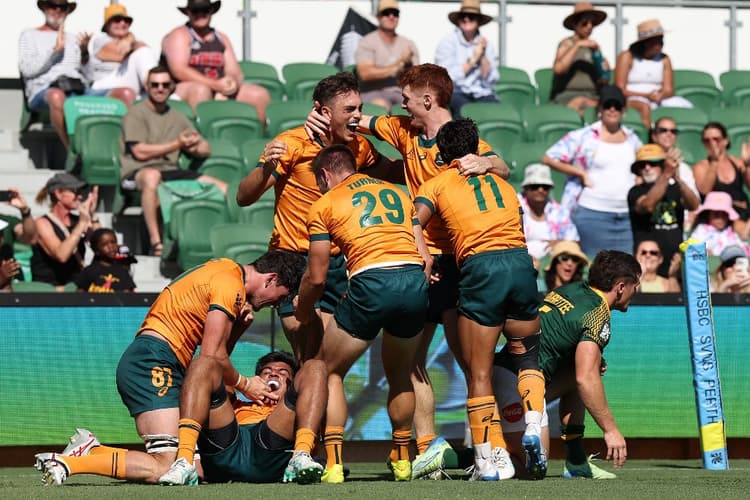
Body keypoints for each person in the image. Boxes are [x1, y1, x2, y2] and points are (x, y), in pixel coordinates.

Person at [303, 64, 511, 479]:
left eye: (407, 97)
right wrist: (320, 118)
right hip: (418, 260)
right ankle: (428, 448)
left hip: (454, 261)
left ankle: (489, 448)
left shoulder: (464, 143)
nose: (400, 104)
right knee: (412, 362)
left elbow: (503, 165)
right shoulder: (404, 131)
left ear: (428, 101)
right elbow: (354, 118)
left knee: (468, 360)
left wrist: (485, 164)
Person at [37, 250, 307, 485]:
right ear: (270, 279)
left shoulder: (224, 269)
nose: (275, 305)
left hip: (161, 360)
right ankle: (77, 460)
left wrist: (239, 326)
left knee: (195, 467)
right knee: (168, 464)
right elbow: (212, 355)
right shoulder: (230, 284)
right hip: (153, 362)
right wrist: (247, 384)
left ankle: (90, 451)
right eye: (280, 298)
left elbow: (213, 358)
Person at [414, 119, 546, 481]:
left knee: (479, 371)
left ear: (441, 154)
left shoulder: (436, 183)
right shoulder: (504, 184)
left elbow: (413, 222)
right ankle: (534, 423)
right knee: (528, 356)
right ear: (478, 149)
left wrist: (425, 256)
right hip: (521, 263)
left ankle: (490, 462)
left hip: (481, 267)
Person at [237, 72, 399, 360]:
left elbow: (396, 171)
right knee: (306, 356)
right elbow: (244, 197)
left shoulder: (359, 148)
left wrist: (430, 155)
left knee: (326, 362)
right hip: (293, 259)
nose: (358, 116)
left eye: (360, 108)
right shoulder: (292, 144)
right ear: (324, 111)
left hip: (336, 262)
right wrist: (266, 167)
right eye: (349, 110)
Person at [295, 144, 431, 483]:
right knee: (400, 372)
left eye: (320, 182)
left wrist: (304, 306)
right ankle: (402, 460)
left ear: (325, 175)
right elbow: (424, 256)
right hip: (413, 281)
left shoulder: (324, 204)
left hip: (371, 281)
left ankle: (334, 464)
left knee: (328, 370)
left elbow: (317, 275)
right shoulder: (398, 194)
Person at [493, 250, 641, 479]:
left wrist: (591, 363)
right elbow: (586, 379)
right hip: (518, 384)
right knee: (530, 471)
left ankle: (575, 461)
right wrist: (611, 431)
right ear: (621, 287)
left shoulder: (571, 289)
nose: (637, 290)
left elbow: (565, 350)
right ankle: (457, 456)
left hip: (505, 374)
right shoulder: (597, 314)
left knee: (580, 373)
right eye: (635, 284)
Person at [158, 351, 328, 485]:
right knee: (203, 362)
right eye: (266, 372)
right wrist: (245, 386)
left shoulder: (300, 409)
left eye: (282, 373)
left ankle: (300, 456)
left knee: (316, 366)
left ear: (293, 384)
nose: (273, 375)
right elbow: (215, 359)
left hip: (272, 447)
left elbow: (312, 389)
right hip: (229, 445)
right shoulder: (235, 400)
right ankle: (185, 461)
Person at [120, 65, 226, 257]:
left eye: (164, 84)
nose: (160, 88)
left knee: (224, 189)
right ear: (147, 86)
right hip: (138, 171)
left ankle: (218, 245)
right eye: (155, 84)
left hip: (170, 170)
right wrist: (178, 143)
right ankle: (156, 242)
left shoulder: (178, 116)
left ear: (171, 87)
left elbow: (205, 149)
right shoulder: (135, 113)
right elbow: (140, 153)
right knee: (152, 177)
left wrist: (194, 144)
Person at [543, 84, 642, 257]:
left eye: (617, 106)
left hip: (626, 217)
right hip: (593, 214)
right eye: (607, 105)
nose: (612, 109)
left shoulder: (632, 138)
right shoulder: (584, 135)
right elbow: (549, 157)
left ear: (623, 110)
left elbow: (642, 166)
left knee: (625, 272)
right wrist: (580, 173)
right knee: (596, 270)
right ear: (600, 109)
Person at [161, 0, 270, 122]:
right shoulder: (180, 35)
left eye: (205, 10)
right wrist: (214, 85)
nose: (200, 14)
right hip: (183, 88)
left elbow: (234, 71)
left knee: (259, 94)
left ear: (211, 11)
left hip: (218, 87)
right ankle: (200, 136)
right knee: (201, 90)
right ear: (188, 13)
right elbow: (179, 70)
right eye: (195, 11)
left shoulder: (221, 37)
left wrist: (231, 85)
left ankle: (258, 137)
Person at [19, 0, 87, 149]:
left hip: (75, 88)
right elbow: (27, 70)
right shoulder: (29, 35)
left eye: (62, 7)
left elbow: (86, 75)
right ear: (44, 8)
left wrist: (85, 55)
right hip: (44, 91)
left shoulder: (74, 39)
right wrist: (54, 52)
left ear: (67, 11)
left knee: (118, 95)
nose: (57, 10)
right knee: (56, 96)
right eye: (52, 6)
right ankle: (73, 152)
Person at [627, 144, 700, 277]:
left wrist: (677, 178)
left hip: (675, 261)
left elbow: (693, 205)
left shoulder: (675, 189)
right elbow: (648, 205)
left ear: (661, 165)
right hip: (648, 262)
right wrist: (666, 175)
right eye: (642, 165)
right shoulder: (635, 192)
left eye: (652, 163)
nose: (647, 168)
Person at [614, 19, 692, 129]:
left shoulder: (665, 59)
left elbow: (669, 89)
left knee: (686, 106)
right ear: (646, 42)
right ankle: (649, 137)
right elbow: (620, 89)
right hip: (633, 98)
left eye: (661, 40)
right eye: (657, 41)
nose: (661, 44)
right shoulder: (627, 57)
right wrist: (646, 96)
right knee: (644, 107)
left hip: (658, 98)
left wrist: (660, 95)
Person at [31, 173, 100, 290]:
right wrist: (82, 224)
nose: (79, 197)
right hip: (50, 289)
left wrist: (92, 215)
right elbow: (61, 255)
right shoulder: (41, 223)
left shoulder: (77, 221)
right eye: (75, 192)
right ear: (58, 194)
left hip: (76, 287)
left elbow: (102, 245)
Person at [83, 3, 159, 104]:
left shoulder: (130, 42)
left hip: (126, 84)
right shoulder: (101, 40)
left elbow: (143, 47)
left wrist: (130, 40)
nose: (122, 23)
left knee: (145, 52)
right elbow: (120, 53)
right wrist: (131, 40)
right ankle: (157, 88)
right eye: (117, 20)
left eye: (126, 21)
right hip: (101, 87)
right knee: (143, 53)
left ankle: (157, 90)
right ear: (107, 25)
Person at [434, 0, 499, 118]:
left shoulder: (486, 44)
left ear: (478, 21)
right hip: (456, 92)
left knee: (498, 112)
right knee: (465, 113)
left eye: (472, 17)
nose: (466, 19)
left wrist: (483, 55)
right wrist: (473, 60)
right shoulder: (448, 42)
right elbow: (446, 77)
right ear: (459, 20)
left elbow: (490, 79)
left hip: (481, 93)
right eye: (463, 16)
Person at [355, 0, 419, 112]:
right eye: (386, 13)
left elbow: (417, 78)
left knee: (419, 105)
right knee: (381, 105)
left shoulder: (408, 44)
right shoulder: (367, 42)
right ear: (378, 17)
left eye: (395, 13)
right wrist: (398, 65)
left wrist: (409, 66)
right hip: (372, 93)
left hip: (401, 93)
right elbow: (365, 73)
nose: (391, 16)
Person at [692, 122, 750, 239]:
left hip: (743, 211)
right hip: (720, 215)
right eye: (707, 140)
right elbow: (704, 190)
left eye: (716, 139)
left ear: (725, 141)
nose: (712, 143)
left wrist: (748, 165)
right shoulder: (701, 167)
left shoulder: (737, 163)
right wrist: (714, 162)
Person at [551, 2, 610, 113]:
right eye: (585, 23)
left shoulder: (594, 48)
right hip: (568, 96)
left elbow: (603, 80)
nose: (589, 27)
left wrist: (604, 69)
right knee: (580, 104)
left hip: (592, 96)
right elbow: (558, 69)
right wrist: (578, 45)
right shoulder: (567, 44)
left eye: (592, 23)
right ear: (575, 24)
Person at [518, 163, 579, 263]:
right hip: (521, 260)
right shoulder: (513, 206)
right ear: (526, 188)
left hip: (552, 264)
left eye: (545, 187)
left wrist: (560, 242)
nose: (541, 190)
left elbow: (574, 241)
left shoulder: (559, 211)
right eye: (535, 186)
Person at [688, 191, 750, 257]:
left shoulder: (730, 230)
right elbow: (692, 248)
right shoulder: (701, 230)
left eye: (724, 214)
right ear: (708, 214)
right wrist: (703, 251)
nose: (720, 218)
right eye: (716, 214)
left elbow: (741, 246)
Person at [75, 228, 136, 292]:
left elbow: (128, 294)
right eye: (104, 244)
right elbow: (74, 287)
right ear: (96, 250)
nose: (111, 247)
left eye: (113, 242)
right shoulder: (90, 270)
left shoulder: (122, 271)